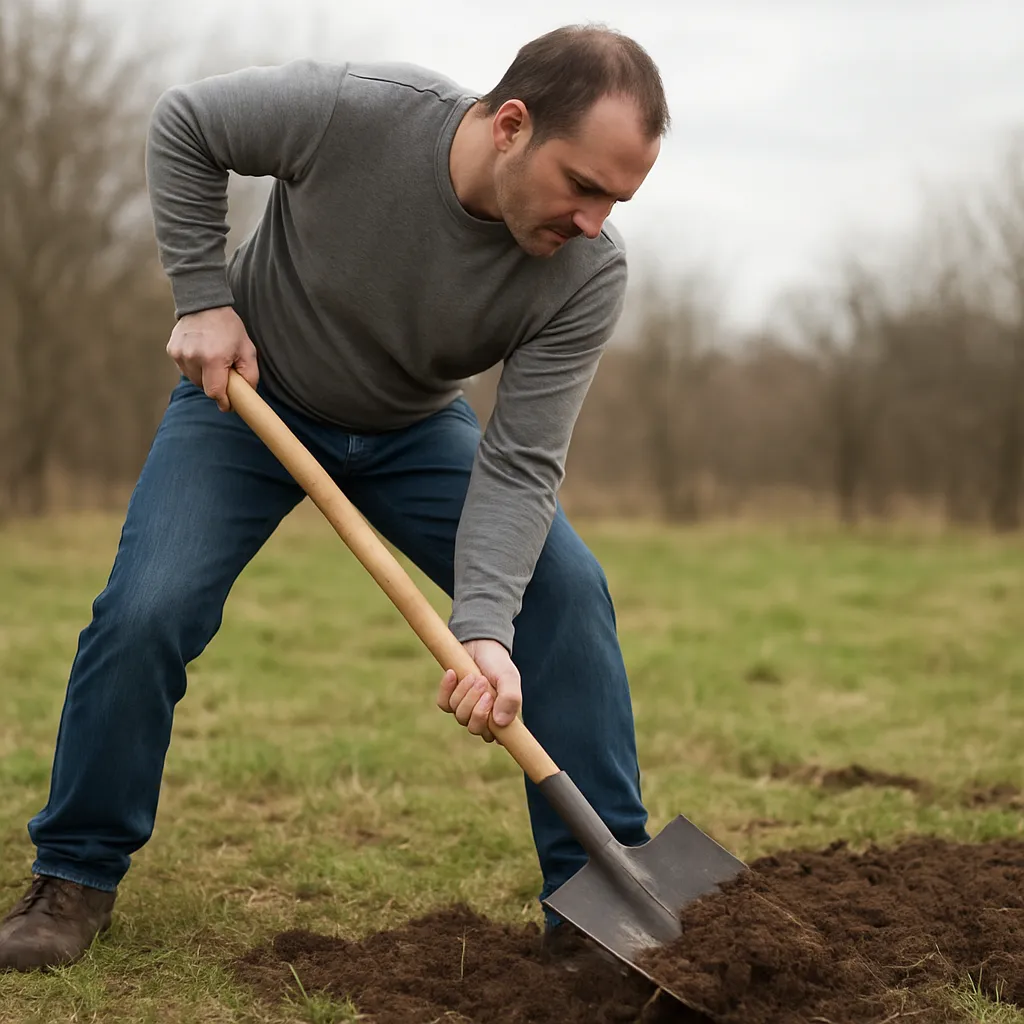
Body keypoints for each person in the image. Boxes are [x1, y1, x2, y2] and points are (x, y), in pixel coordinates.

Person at [0, 23, 668, 971]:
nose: (594, 221)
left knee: (565, 591)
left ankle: (604, 903)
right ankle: (72, 879)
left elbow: (520, 464)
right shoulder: (356, 113)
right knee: (148, 607)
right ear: (512, 125)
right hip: (248, 400)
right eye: (583, 186)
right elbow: (185, 122)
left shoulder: (587, 273)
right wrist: (202, 297)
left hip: (414, 430)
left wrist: (486, 629)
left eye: (617, 201)